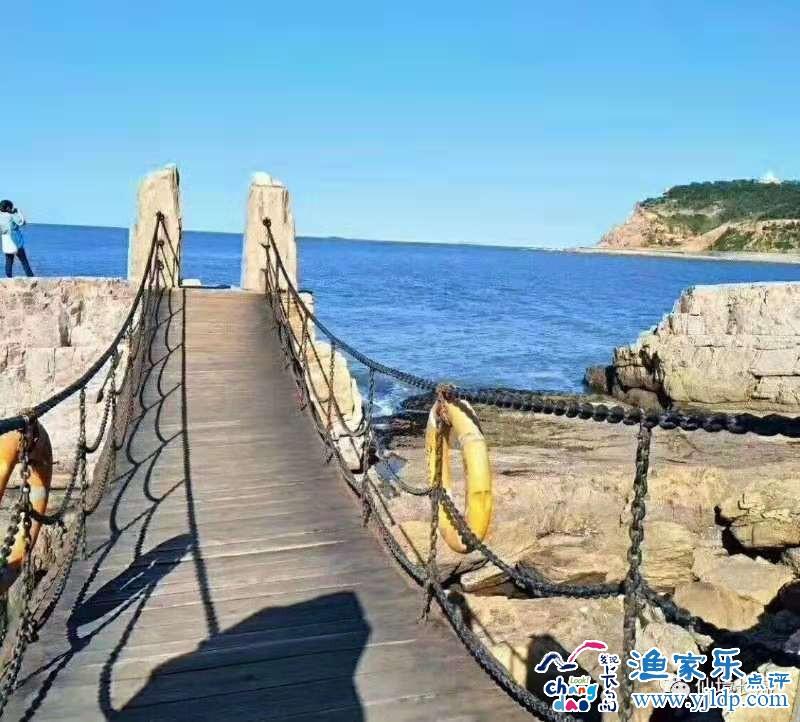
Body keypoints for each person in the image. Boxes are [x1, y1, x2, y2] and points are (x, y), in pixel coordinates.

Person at [0, 199, 34, 278]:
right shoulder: (11, 216)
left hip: (6, 242)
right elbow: (22, 222)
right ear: (8, 208)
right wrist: (18, 212)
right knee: (24, 261)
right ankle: (30, 277)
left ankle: (9, 277)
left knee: (9, 261)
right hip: (15, 242)